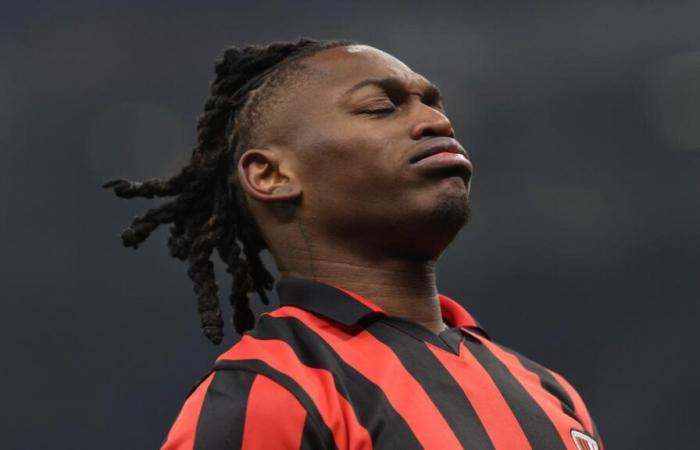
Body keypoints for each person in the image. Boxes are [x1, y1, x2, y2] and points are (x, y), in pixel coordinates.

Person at [103, 38, 603, 450]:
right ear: (272, 174)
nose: (436, 122)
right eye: (380, 107)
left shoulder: (548, 392)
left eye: (433, 104)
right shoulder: (273, 391)